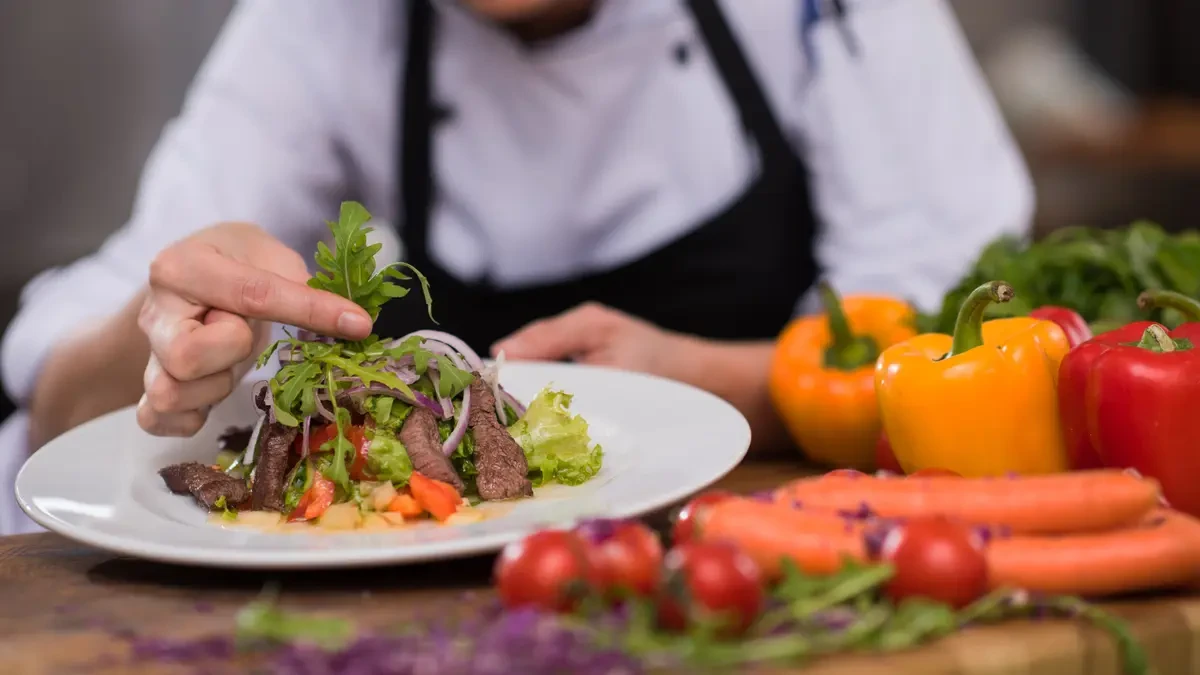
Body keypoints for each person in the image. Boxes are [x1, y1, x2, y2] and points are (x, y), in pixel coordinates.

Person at [0, 0, 1031, 534]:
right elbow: (60, 408)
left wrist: (737, 387)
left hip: (768, 547)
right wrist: (165, 331)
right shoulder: (322, 21)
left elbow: (954, 336)